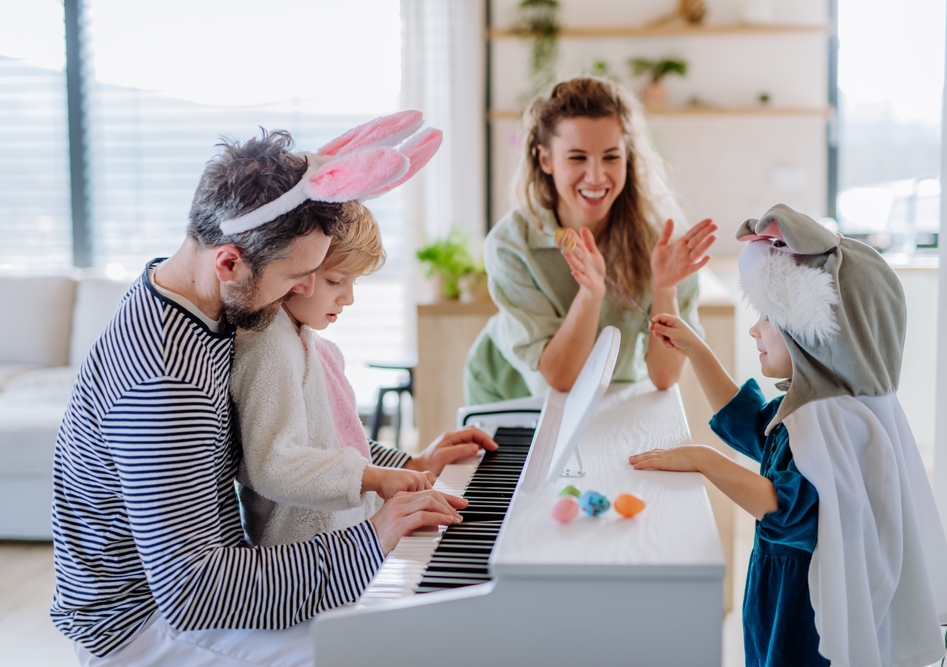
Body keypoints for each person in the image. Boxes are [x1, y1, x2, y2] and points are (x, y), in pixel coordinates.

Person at [51, 119, 466, 667]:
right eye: (296, 277)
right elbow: (195, 589)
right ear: (229, 261)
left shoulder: (196, 299)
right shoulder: (165, 380)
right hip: (145, 624)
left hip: (197, 589)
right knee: (396, 650)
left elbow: (294, 427)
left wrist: (398, 467)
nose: (305, 291)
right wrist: (374, 537)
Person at [630, 204, 947, 666]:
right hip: (778, 587)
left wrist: (704, 460)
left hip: (803, 605)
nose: (754, 329)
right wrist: (696, 349)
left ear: (812, 336)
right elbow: (751, 422)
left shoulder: (835, 429)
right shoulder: (811, 417)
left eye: (767, 319)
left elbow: (782, 504)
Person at [231, 200, 497, 547]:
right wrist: (375, 478)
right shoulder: (268, 345)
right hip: (303, 564)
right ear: (295, 268)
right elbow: (274, 464)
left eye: (353, 282)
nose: (349, 298)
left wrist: (412, 463)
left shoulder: (306, 341)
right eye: (336, 280)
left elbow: (336, 439)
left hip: (339, 544)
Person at [464, 76, 717, 405]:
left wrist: (664, 288)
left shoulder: (663, 240)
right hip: (513, 394)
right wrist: (590, 293)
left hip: (612, 396)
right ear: (545, 160)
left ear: (628, 157)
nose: (596, 176)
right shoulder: (511, 244)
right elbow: (561, 378)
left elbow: (665, 376)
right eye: (577, 158)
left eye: (611, 157)